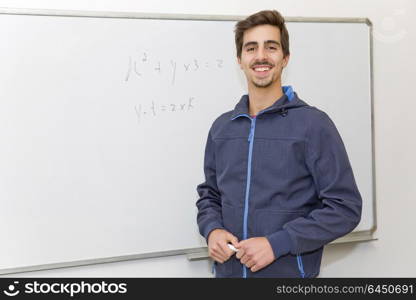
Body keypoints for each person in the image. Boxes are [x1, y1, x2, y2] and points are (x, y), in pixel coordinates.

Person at [196, 10, 362, 278]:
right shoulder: (222, 128)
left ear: (285, 58)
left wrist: (277, 243)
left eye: (270, 47)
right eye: (251, 48)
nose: (261, 56)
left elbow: (345, 207)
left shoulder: (313, 125)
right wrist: (212, 229)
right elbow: (210, 195)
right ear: (240, 60)